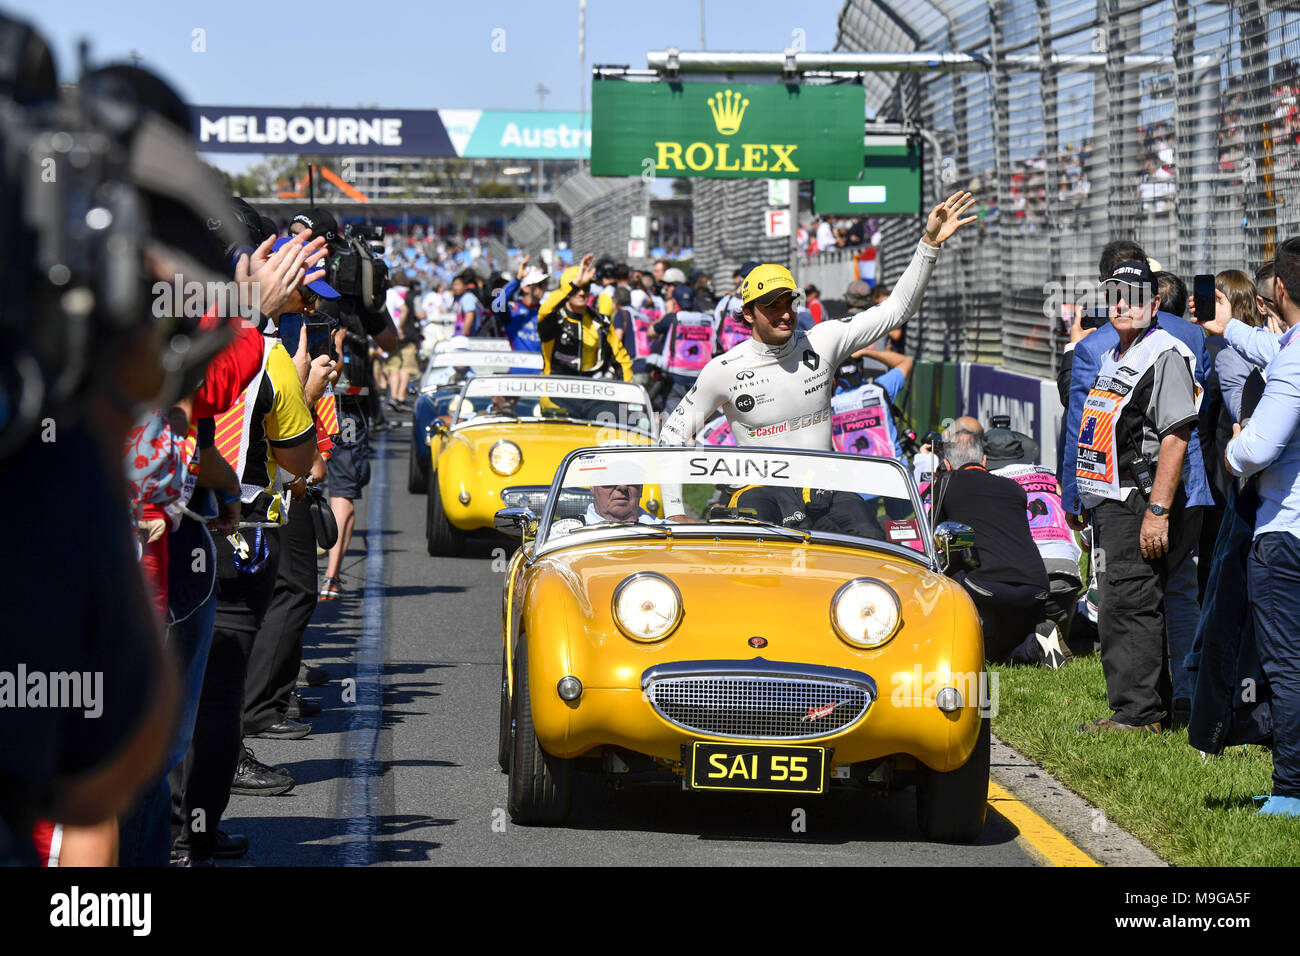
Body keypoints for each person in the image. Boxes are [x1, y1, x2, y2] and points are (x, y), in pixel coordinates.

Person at [658, 192, 976, 464]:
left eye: (789, 303)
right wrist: (674, 512)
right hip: (764, 496)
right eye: (771, 306)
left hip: (826, 490)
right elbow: (672, 435)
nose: (784, 314)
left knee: (872, 534)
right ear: (749, 314)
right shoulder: (722, 370)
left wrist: (929, 243)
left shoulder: (823, 340)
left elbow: (896, 310)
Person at [1061, 240, 1211, 723]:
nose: (1121, 303)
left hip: (1140, 501)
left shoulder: (1164, 353)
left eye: (1133, 294)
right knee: (1125, 601)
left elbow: (1176, 437)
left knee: (1129, 605)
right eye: (1114, 294)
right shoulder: (1117, 353)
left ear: (1153, 302)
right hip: (1113, 500)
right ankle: (1148, 706)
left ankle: (1136, 714)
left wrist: (1158, 511)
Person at [1222, 234, 1300, 816]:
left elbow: (1259, 448)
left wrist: (1233, 447)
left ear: (1278, 287)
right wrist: (1229, 328)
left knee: (1287, 664)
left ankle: (1292, 789)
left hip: (1285, 534)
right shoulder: (1290, 348)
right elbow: (1276, 351)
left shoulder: (1295, 356)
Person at [932, 422, 1061, 666]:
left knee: (988, 655)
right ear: (983, 459)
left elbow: (934, 534)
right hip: (1035, 586)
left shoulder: (947, 483)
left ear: (947, 465)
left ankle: (1030, 646)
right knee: (1007, 642)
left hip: (986, 585)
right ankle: (1036, 642)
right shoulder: (1014, 488)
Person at [984, 418, 1083, 657]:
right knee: (1054, 623)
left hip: (1031, 579)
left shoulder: (993, 483)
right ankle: (1048, 632)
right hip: (1068, 576)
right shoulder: (1049, 473)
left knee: (995, 644)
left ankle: (1035, 641)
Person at [537, 253, 633, 381]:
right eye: (577, 288)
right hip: (554, 397)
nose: (582, 293)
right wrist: (574, 284)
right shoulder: (553, 319)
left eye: (586, 287)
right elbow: (545, 310)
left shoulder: (600, 323)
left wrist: (627, 396)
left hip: (590, 396)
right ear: (568, 289)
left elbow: (622, 361)